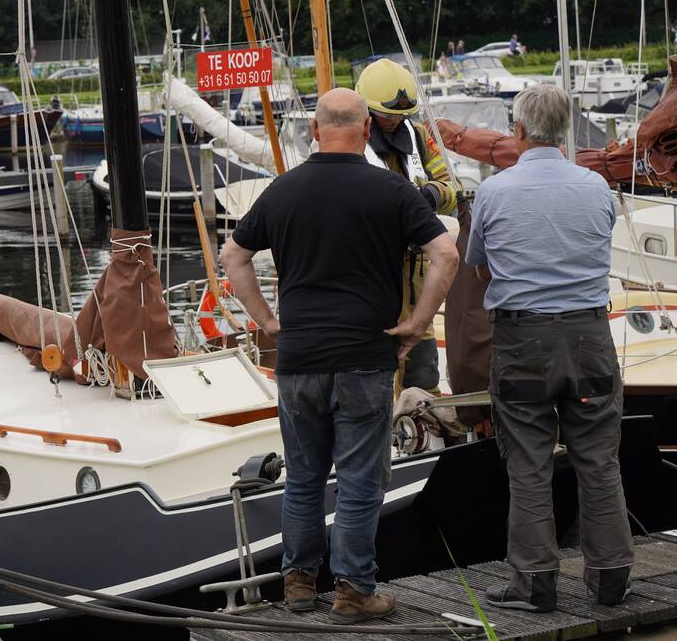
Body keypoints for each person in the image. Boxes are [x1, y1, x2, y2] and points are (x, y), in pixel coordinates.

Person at [219, 88, 459, 623]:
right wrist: (418, 323)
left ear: (314, 131)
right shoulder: (391, 191)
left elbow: (234, 256)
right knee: (357, 477)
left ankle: (299, 586)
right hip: (364, 356)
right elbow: (446, 252)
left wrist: (269, 321)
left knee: (303, 475)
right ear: (368, 129)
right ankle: (353, 592)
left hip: (299, 356)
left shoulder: (282, 191)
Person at [466, 83, 635, 612]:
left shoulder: (493, 192)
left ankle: (535, 581)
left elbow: (478, 263)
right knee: (600, 459)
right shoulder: (597, 189)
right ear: (566, 131)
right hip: (589, 338)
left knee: (529, 462)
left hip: (522, 340)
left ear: (518, 130)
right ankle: (610, 577)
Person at [355, 58, 457, 396]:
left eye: (402, 115)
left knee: (424, 376)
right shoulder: (353, 144)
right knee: (378, 381)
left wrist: (429, 195)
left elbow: (450, 188)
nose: (396, 121)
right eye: (388, 116)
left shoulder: (417, 135)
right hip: (373, 279)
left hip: (417, 278)